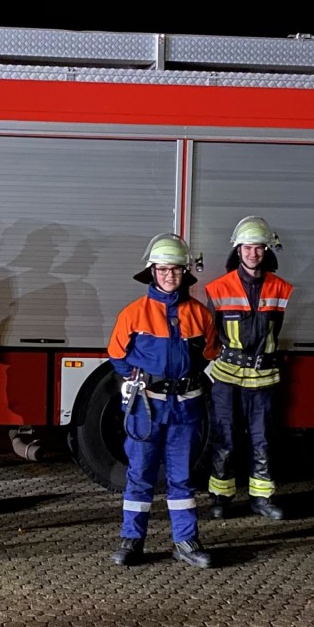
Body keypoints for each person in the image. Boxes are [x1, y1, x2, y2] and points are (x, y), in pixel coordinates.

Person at [107, 233, 218, 569]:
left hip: (185, 407)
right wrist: (135, 380)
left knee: (182, 478)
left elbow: (210, 352)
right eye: (163, 269)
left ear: (185, 272)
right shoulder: (133, 313)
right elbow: (116, 354)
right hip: (147, 407)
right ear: (152, 271)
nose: (170, 275)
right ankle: (132, 541)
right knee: (140, 475)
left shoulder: (200, 314)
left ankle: (186, 541)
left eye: (176, 269)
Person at [202, 216, 295, 520]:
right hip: (227, 376)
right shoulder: (218, 288)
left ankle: (262, 498)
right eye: (247, 247)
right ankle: (221, 497)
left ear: (266, 250)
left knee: (263, 439)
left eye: (258, 248)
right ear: (237, 250)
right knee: (224, 437)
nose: (253, 253)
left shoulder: (281, 288)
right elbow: (211, 333)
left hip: (264, 377)